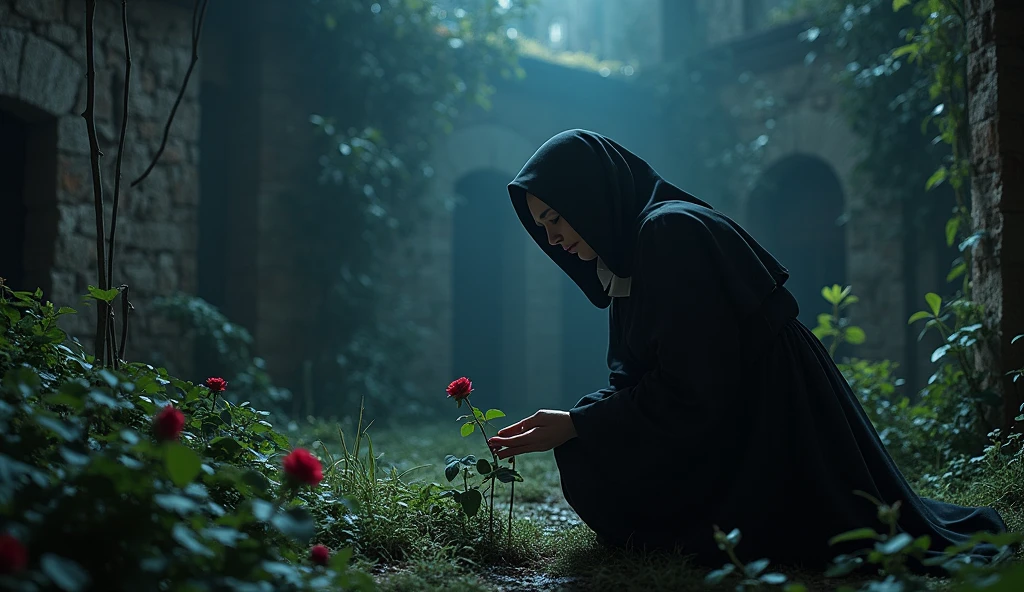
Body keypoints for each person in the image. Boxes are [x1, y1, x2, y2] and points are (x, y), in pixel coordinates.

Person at [484, 129, 1010, 571]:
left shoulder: (668, 233)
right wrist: (577, 420)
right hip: (728, 403)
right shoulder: (630, 253)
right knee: (587, 451)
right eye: (541, 226)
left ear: (586, 193)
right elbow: (645, 376)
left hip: (767, 416)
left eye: (555, 217)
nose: (551, 238)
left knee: (590, 451)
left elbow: (697, 387)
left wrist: (580, 423)